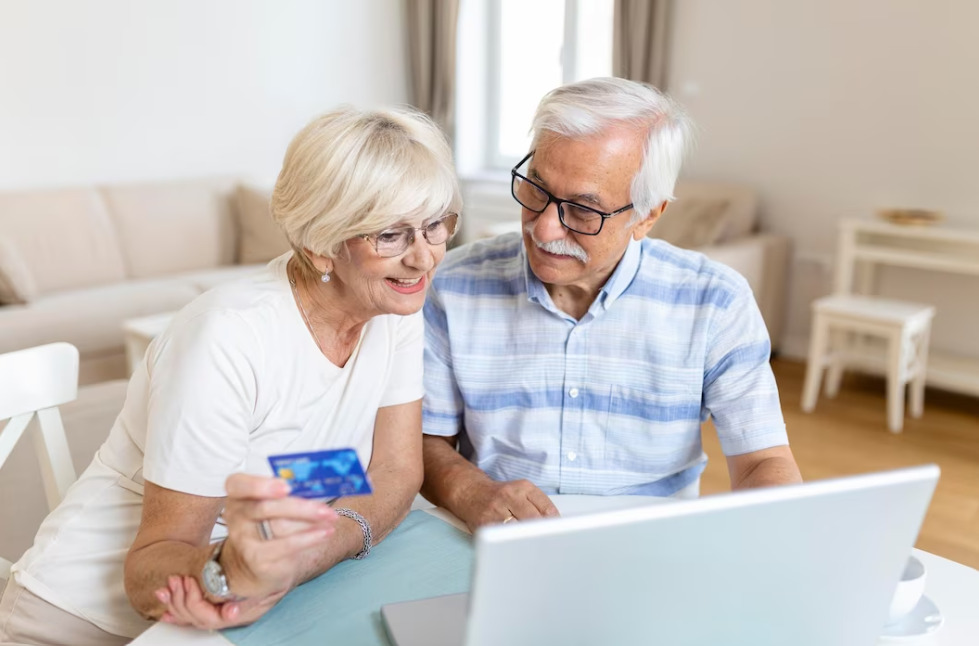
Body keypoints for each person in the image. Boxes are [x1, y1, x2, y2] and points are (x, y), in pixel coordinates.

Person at [0, 105, 462, 645]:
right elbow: (148, 572)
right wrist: (240, 571)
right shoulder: (226, 339)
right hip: (88, 622)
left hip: (267, 609)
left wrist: (302, 553)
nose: (424, 258)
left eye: (435, 225)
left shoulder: (391, 305)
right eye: (390, 235)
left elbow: (396, 472)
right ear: (320, 242)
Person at [420, 77, 802, 532]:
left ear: (648, 215)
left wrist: (770, 538)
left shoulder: (716, 302)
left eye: (582, 210)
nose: (543, 230)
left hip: (651, 546)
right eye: (536, 189)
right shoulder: (452, 286)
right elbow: (426, 441)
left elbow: (764, 462)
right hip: (495, 538)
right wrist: (469, 490)